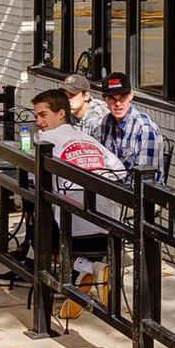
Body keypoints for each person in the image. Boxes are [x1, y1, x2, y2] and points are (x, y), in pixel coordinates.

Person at [31, 88, 126, 318]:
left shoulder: (44, 140)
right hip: (109, 227)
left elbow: (35, 181)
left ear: (61, 113)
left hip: (72, 230)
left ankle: (88, 268)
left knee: (37, 235)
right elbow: (121, 172)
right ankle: (89, 273)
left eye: (43, 115)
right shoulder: (87, 138)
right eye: (36, 116)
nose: (38, 121)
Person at [93, 72, 165, 182]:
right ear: (104, 99)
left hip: (140, 194)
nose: (118, 103)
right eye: (112, 98)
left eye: (123, 97)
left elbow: (145, 181)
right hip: (113, 188)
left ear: (131, 96)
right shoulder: (106, 121)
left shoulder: (144, 129)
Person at [61, 73, 105, 139]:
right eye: (65, 96)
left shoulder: (98, 118)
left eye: (72, 95)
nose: (67, 100)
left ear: (86, 96)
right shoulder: (69, 113)